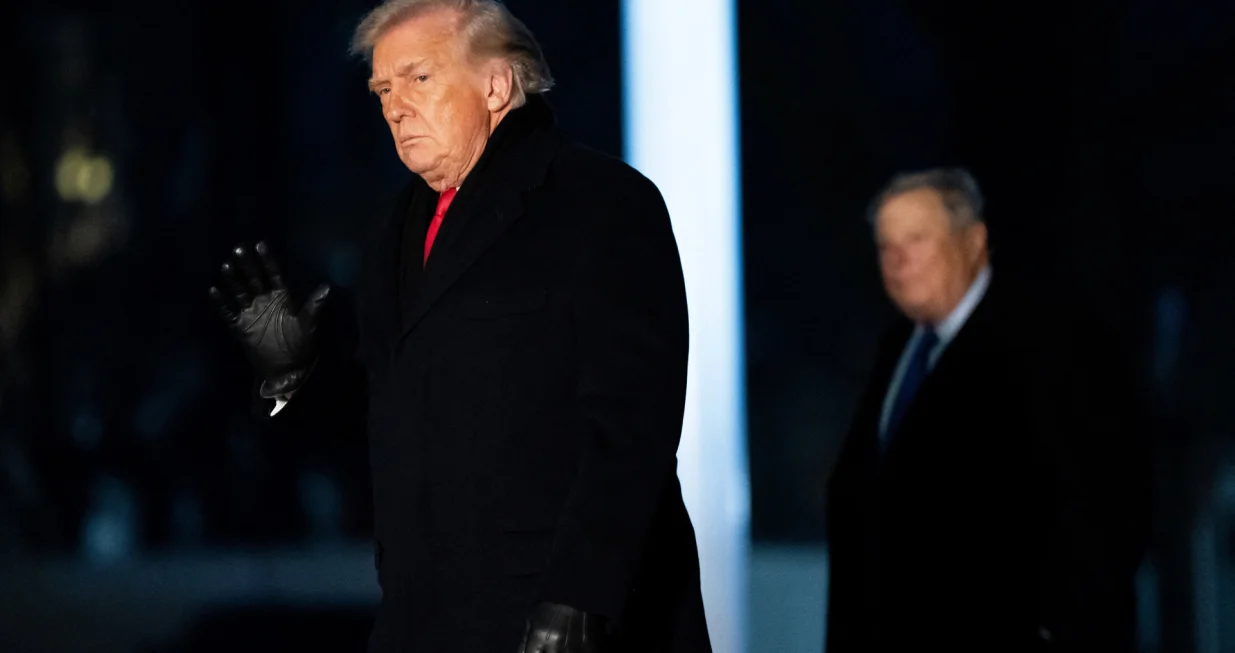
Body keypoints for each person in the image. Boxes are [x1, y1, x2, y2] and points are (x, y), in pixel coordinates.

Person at [208, 2, 711, 651]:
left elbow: (632, 425)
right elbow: (385, 415)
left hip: (561, 617)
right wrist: (291, 374)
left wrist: (580, 593)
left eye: (417, 79)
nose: (393, 107)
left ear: (497, 85)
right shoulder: (395, 227)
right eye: (383, 90)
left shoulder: (602, 202)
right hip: (423, 615)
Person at [824, 168, 1152, 651]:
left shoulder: (1052, 342)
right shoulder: (897, 349)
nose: (897, 261)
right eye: (884, 246)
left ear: (974, 241)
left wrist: (1053, 631)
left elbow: (1109, 501)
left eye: (916, 239)